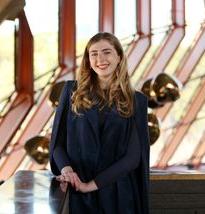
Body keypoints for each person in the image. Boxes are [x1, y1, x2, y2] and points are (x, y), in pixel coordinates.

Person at [49, 32, 150, 214]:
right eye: (93, 54)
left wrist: (91, 185)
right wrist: (67, 170)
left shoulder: (137, 101)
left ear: (119, 57)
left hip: (117, 195)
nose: (100, 59)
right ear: (88, 60)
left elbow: (133, 157)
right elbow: (57, 144)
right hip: (76, 193)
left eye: (106, 52)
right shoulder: (71, 92)